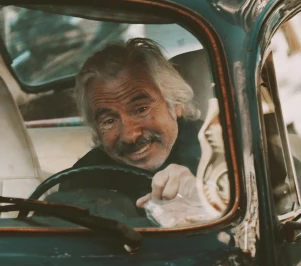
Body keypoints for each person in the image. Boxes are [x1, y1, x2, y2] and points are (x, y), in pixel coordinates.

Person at [67, 38, 204, 210]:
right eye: (109, 121)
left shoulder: (223, 153)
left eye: (140, 110)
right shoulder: (85, 177)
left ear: (176, 104)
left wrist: (205, 197)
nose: (130, 136)